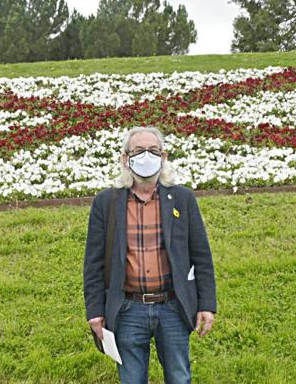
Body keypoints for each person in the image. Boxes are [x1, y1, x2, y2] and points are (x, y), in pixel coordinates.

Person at [83, 126, 217, 384]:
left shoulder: (182, 199)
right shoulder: (106, 203)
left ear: (163, 157)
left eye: (153, 151)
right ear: (125, 158)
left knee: (179, 377)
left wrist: (206, 304)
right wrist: (95, 310)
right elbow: (94, 263)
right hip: (127, 309)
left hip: (173, 307)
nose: (146, 157)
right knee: (132, 379)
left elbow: (201, 255)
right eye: (138, 151)